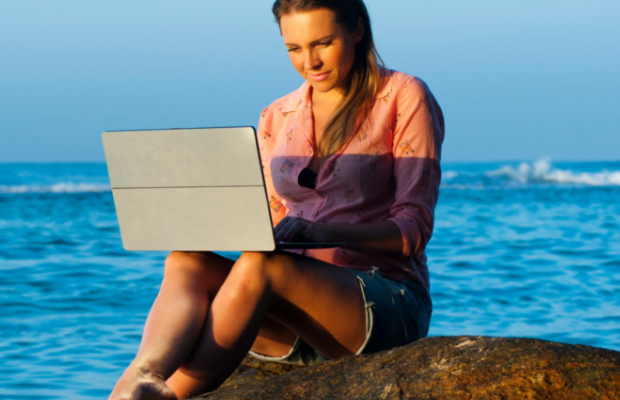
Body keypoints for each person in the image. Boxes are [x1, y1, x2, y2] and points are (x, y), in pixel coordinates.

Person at [109, 0, 443, 398]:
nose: (310, 61)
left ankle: (169, 395)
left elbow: (413, 230)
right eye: (294, 49)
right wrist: (219, 222)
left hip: (380, 301)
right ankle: (140, 377)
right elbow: (272, 220)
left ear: (357, 29)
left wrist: (325, 234)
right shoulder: (277, 115)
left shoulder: (404, 96)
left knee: (261, 267)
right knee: (185, 260)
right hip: (291, 319)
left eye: (323, 43)